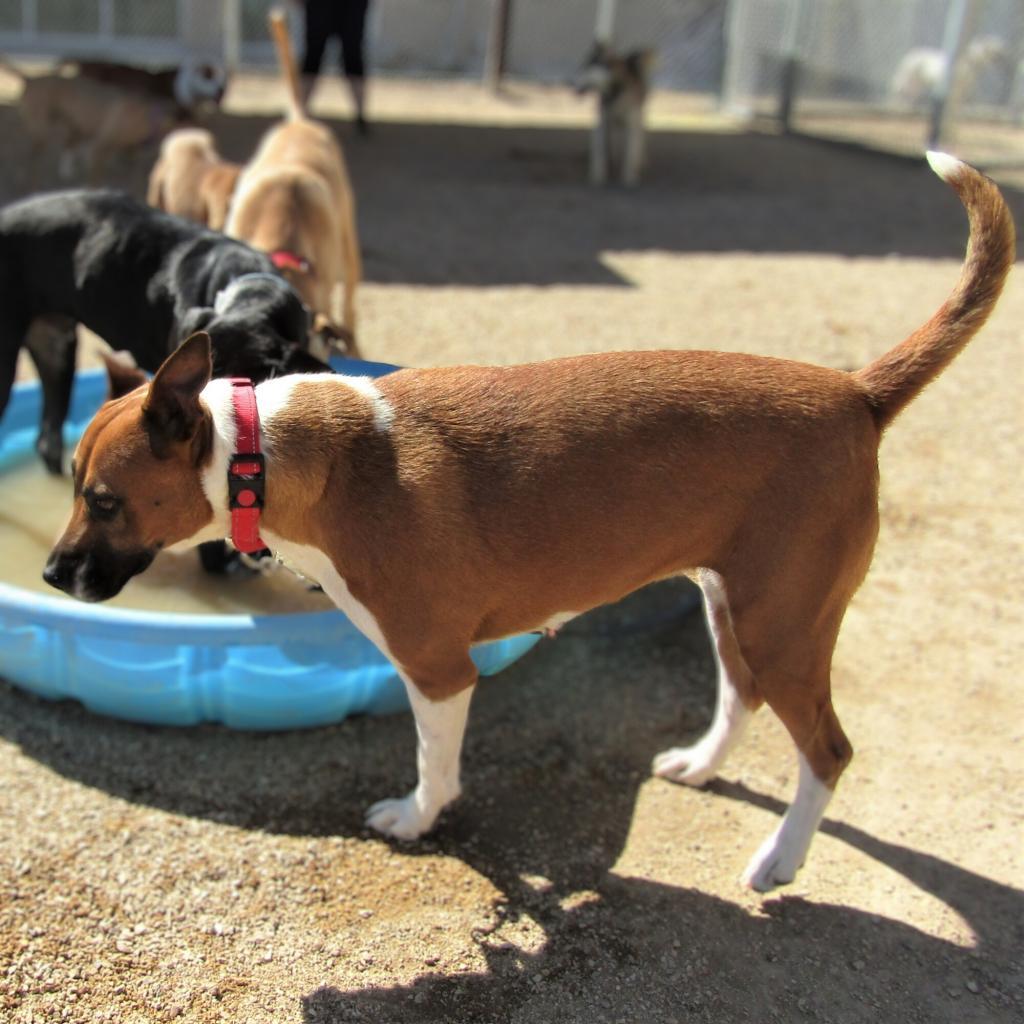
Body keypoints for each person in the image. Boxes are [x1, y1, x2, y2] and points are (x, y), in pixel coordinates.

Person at [296, 0, 371, 134]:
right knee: (313, 54)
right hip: (320, 5)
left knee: (353, 55)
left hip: (352, 5)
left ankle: (361, 116)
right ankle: (299, 112)